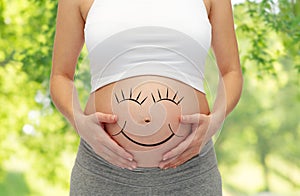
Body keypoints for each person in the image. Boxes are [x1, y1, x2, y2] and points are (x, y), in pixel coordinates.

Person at [50, 0, 243, 195]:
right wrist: (78, 122)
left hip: (190, 171)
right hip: (103, 171)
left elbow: (231, 72)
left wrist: (216, 120)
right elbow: (61, 76)